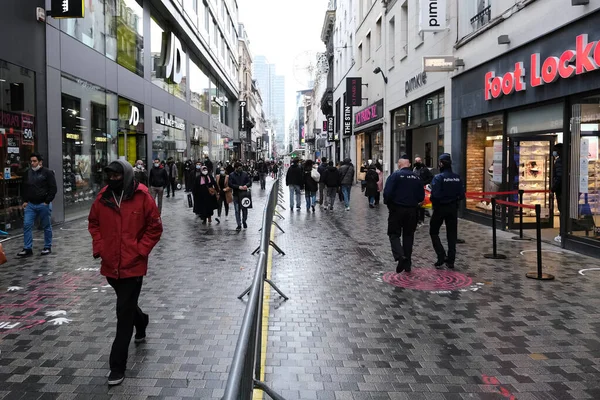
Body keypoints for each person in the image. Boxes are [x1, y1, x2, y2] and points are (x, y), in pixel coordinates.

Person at [88, 160, 162, 386]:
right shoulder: (103, 197)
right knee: (127, 305)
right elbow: (94, 223)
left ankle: (117, 366)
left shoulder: (142, 197)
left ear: (127, 175)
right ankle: (141, 321)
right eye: (109, 175)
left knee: (122, 312)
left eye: (117, 175)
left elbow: (155, 227)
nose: (113, 179)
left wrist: (140, 251)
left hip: (133, 265)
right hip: (111, 265)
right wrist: (100, 247)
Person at [383, 156, 425, 273]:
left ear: (399, 165)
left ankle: (400, 256)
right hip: (412, 210)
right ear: (409, 164)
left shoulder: (395, 176)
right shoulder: (416, 177)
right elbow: (421, 196)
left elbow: (387, 193)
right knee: (408, 236)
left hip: (397, 209)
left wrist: (389, 205)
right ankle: (407, 264)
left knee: (393, 234)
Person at [18, 152, 57, 257]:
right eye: (31, 161)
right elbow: (24, 188)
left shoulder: (47, 173)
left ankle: (47, 246)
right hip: (30, 204)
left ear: (40, 162)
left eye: (34, 161)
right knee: (27, 225)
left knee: (46, 226)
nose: (32, 163)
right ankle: (27, 248)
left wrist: (47, 201)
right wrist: (25, 201)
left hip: (43, 204)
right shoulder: (28, 173)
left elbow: (53, 188)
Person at [430, 153, 465, 270]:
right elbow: (461, 195)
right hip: (453, 208)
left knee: (433, 231)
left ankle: (441, 255)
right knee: (452, 235)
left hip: (440, 208)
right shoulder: (457, 177)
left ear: (441, 163)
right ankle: (451, 260)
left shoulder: (438, 178)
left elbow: (435, 195)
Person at [229, 162, 252, 231]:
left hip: (244, 195)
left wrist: (246, 186)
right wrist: (238, 187)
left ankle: (244, 221)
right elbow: (230, 184)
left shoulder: (245, 174)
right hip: (236, 194)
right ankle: (239, 224)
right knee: (237, 210)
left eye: (240, 167)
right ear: (235, 168)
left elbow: (249, 182)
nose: (240, 168)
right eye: (238, 167)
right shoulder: (232, 175)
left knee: (245, 210)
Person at [414, 156, 433, 226]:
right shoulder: (414, 169)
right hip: (415, 188)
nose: (417, 163)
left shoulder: (425, 169)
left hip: (422, 188)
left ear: (421, 161)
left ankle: (421, 219)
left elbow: (431, 177)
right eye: (416, 161)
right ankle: (417, 218)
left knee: (422, 204)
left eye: (418, 161)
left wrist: (424, 183)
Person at [551, 143, 563, 243]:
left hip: (561, 191)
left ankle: (562, 234)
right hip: (566, 190)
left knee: (562, 211)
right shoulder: (569, 159)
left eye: (555, 150)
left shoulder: (559, 161)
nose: (553, 152)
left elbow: (559, 177)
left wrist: (553, 188)